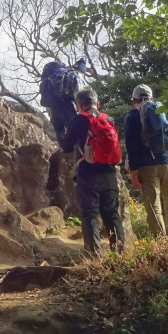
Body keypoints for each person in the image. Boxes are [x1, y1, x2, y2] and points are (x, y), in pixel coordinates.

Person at [59, 88, 127, 254]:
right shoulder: (108, 119)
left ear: (79, 105)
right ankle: (120, 252)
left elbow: (66, 146)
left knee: (90, 213)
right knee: (112, 214)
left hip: (87, 172)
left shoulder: (79, 120)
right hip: (110, 173)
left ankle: (94, 254)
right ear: (97, 103)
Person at [123, 83, 168, 239]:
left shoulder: (131, 117)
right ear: (152, 98)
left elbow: (131, 146)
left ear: (134, 101)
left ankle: (161, 243)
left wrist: (134, 171)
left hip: (147, 165)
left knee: (153, 207)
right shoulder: (164, 113)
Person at [40, 60, 81, 145]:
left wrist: (51, 114)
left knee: (60, 133)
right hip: (67, 106)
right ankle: (76, 151)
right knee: (75, 132)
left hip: (54, 109)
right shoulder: (69, 75)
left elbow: (48, 97)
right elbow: (77, 93)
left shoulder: (49, 79)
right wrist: (80, 107)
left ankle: (63, 151)